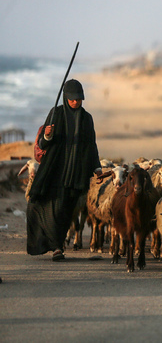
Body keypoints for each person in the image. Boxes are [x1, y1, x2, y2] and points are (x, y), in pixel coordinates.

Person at [27, 79, 102, 261]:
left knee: (65, 211)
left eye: (78, 99)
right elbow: (43, 143)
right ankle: (54, 246)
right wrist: (47, 135)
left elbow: (91, 145)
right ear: (66, 98)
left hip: (76, 174)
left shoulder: (87, 118)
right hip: (54, 169)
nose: (75, 102)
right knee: (36, 205)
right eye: (72, 99)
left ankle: (58, 247)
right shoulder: (56, 114)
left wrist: (97, 167)